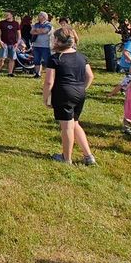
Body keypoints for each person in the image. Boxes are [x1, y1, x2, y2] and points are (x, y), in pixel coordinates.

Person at [42, 27, 96, 165]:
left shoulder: (55, 58)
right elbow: (90, 76)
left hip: (63, 94)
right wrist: (82, 88)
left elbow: (49, 81)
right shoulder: (82, 57)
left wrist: (46, 98)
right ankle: (88, 156)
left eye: (54, 38)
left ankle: (66, 158)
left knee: (66, 127)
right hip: (79, 93)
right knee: (75, 123)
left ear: (59, 41)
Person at [0, 11, 22, 76]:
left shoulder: (16, 23)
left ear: (11, 15)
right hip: (4, 43)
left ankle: (10, 73)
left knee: (12, 59)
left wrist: (17, 43)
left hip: (13, 44)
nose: (6, 15)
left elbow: (19, 35)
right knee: (2, 58)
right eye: (5, 14)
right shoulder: (2, 23)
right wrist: (0, 41)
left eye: (7, 14)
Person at [30, 12, 53, 78]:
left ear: (44, 17)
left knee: (47, 61)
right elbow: (31, 32)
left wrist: (36, 30)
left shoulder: (48, 24)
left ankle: (50, 74)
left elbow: (45, 31)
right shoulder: (36, 24)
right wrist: (39, 30)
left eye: (39, 16)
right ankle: (37, 74)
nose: (38, 17)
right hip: (36, 45)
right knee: (36, 60)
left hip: (45, 46)